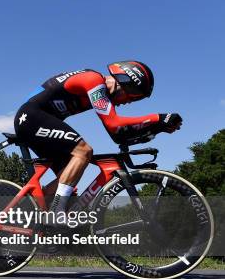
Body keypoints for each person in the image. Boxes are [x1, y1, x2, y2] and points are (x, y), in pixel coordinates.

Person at [14, 61, 182, 219]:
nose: (129, 102)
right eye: (133, 96)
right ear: (125, 83)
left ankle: (36, 213)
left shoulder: (98, 88)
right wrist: (157, 118)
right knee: (84, 151)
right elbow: (114, 125)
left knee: (69, 179)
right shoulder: (93, 80)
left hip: (37, 119)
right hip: (30, 117)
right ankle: (56, 213)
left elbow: (118, 134)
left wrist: (157, 128)